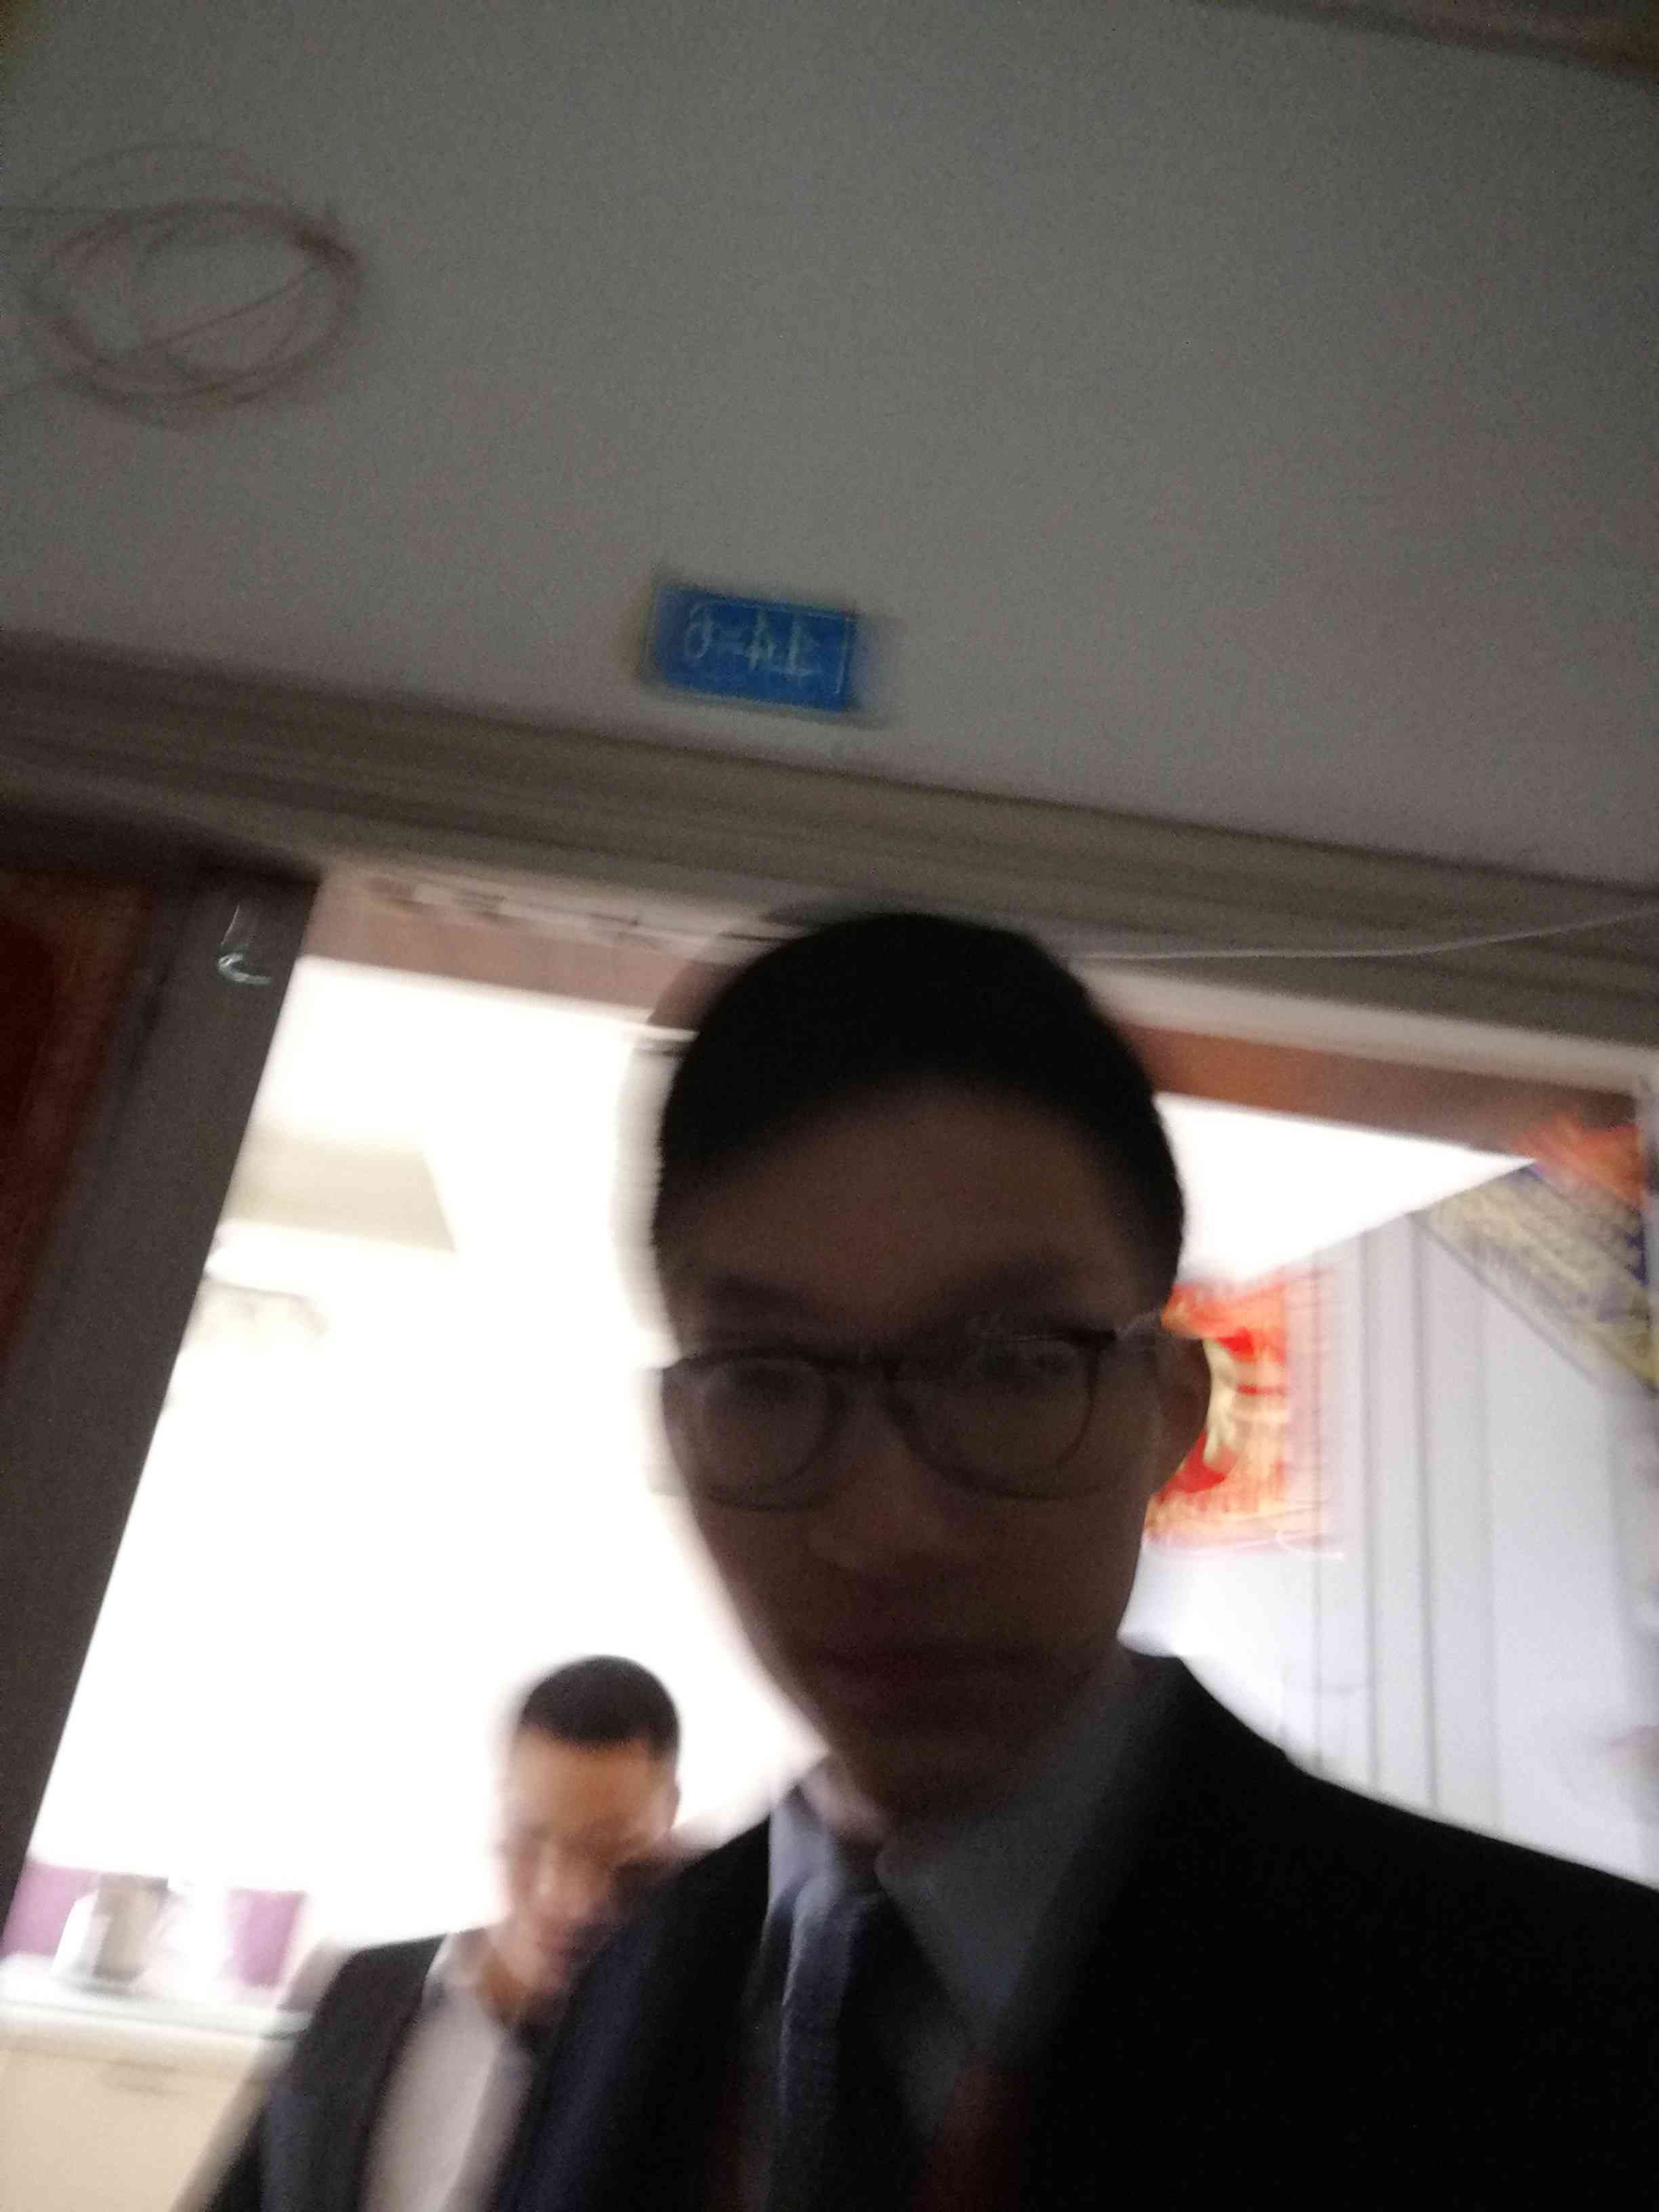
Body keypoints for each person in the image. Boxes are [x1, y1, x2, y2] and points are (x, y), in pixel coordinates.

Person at [492, 910, 1659, 2211]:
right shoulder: (625, 1990)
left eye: (1010, 1366)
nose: (887, 1525)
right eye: (767, 1378)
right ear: (678, 1426)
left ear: (1171, 1408)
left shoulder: (1578, 2033)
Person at [192, 1656, 680, 2212]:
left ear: (668, 1823)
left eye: (613, 1850)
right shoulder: (360, 1986)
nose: (563, 1896)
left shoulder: (672, 2050)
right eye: (531, 1838)